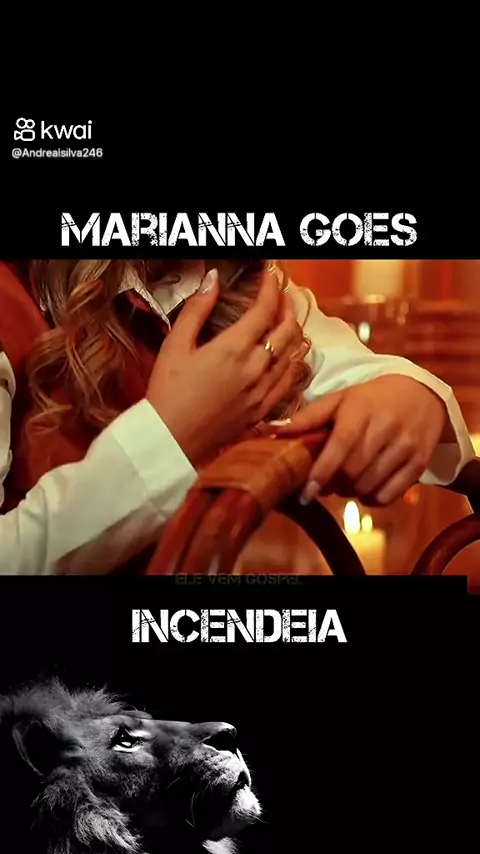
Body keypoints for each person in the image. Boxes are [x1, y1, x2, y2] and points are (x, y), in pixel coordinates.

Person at [0, 259, 475, 576]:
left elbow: (367, 373)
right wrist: (170, 435)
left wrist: (412, 397)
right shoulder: (10, 303)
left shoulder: (232, 280)